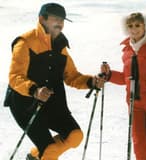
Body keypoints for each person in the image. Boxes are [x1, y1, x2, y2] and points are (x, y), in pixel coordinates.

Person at [6, 3, 104, 160]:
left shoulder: (61, 46)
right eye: (56, 19)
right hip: (25, 103)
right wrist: (34, 90)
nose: (60, 23)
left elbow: (71, 76)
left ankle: (35, 156)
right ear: (42, 19)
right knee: (50, 149)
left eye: (62, 20)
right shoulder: (25, 42)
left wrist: (91, 82)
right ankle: (43, 154)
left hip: (52, 102)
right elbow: (14, 77)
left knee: (75, 136)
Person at [100, 12, 146, 160]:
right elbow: (125, 78)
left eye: (137, 25)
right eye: (130, 26)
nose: (134, 29)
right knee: (139, 143)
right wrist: (108, 75)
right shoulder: (127, 51)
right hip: (134, 103)